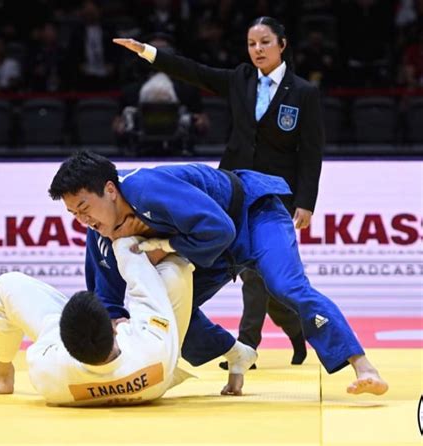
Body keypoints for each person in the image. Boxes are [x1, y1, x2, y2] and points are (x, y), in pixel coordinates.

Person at [48, 151, 389, 396]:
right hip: (210, 248)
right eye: (73, 214)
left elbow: (221, 229)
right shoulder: (100, 235)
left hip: (253, 215)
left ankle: (363, 366)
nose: (84, 220)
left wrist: (163, 245)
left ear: (110, 190)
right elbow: (107, 300)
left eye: (84, 208)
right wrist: (115, 336)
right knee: (171, 314)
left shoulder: (146, 188)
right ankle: (237, 353)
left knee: (285, 285)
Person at [112, 16, 315, 370]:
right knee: (254, 276)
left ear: (282, 44)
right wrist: (149, 53)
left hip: (272, 197)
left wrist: (306, 202)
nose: (258, 50)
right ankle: (293, 333)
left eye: (265, 42)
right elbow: (194, 71)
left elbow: (311, 151)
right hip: (233, 192)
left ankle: (246, 347)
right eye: (252, 44)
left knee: (257, 277)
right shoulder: (240, 80)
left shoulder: (303, 92)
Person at [0, 236, 196, 406]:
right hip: (158, 378)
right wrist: (122, 239)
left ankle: (3, 376)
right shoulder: (153, 344)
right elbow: (142, 280)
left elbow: (51, 336)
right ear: (115, 329)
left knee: (5, 284)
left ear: (63, 342)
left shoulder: (47, 372)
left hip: (75, 380)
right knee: (176, 270)